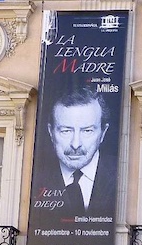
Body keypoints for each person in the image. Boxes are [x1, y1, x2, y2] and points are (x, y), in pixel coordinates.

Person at [40, 86, 117, 218]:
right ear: (51, 132)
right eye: (66, 131)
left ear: (103, 133)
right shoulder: (38, 177)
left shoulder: (118, 174)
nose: (75, 144)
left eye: (87, 131)